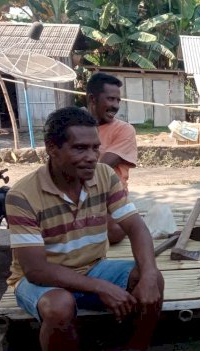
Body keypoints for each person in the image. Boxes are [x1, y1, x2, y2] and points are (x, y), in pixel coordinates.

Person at [5, 107, 163, 351]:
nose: (92, 156)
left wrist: (150, 273)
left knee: (151, 278)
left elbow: (136, 226)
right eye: (80, 148)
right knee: (59, 306)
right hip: (41, 282)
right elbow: (36, 270)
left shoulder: (104, 175)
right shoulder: (22, 195)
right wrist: (101, 287)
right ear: (52, 148)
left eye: (95, 148)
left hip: (93, 268)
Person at [86, 72, 138, 244]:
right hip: (73, 193)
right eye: (110, 99)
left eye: (118, 101)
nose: (115, 106)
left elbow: (100, 169)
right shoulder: (74, 124)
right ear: (92, 99)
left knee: (114, 232)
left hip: (107, 197)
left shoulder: (124, 130)